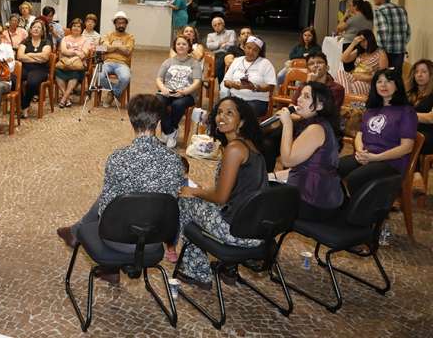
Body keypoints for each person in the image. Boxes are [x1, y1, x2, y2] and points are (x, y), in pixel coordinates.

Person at [56, 94, 186, 285]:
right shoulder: (175, 161)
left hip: (115, 239)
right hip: (154, 242)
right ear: (158, 122)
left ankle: (79, 234)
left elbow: (105, 212)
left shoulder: (118, 159)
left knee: (116, 198)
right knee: (129, 198)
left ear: (132, 121)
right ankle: (81, 239)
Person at [175, 96, 267, 289]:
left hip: (237, 231)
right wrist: (201, 192)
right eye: (219, 112)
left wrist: (195, 192)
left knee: (184, 200)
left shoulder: (234, 149)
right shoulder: (250, 145)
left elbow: (221, 197)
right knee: (196, 198)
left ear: (241, 121)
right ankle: (229, 267)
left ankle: (196, 272)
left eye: (229, 113)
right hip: (257, 228)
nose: (221, 117)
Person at [339, 67, 416, 196]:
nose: (383, 85)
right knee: (333, 169)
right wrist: (360, 152)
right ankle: (343, 206)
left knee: (355, 178)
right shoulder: (371, 110)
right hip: (367, 156)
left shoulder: (406, 111)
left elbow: (407, 147)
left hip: (391, 162)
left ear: (397, 85)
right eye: (379, 81)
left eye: (388, 81)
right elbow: (360, 134)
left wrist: (376, 158)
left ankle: (364, 212)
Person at [277, 83, 345, 221]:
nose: (299, 100)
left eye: (306, 96)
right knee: (262, 184)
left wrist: (287, 124)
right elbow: (302, 169)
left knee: (260, 200)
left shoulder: (316, 129)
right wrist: (269, 176)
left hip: (313, 201)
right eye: (301, 95)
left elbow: (287, 160)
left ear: (319, 106)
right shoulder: (318, 124)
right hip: (317, 194)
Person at [156, 35, 203, 148]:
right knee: (158, 101)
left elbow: (197, 82)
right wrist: (163, 88)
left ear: (189, 47)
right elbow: (159, 78)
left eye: (184, 44)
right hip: (168, 91)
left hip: (186, 94)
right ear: (175, 46)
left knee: (178, 104)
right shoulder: (168, 61)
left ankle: (166, 132)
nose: (181, 46)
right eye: (178, 44)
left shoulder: (194, 63)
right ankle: (171, 131)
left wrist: (184, 92)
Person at [221, 35, 276, 117]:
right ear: (244, 47)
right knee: (220, 109)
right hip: (235, 98)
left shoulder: (265, 63)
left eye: (255, 50)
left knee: (243, 112)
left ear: (259, 52)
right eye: (248, 48)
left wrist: (254, 87)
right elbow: (226, 82)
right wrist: (233, 84)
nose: (250, 52)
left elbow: (271, 86)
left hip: (257, 101)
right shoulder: (236, 61)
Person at [17, 19, 53, 118]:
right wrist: (38, 58)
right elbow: (20, 56)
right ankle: (22, 104)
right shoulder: (25, 41)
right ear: (30, 30)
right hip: (25, 68)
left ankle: (24, 105)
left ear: (42, 32)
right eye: (34, 27)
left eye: (39, 28)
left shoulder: (46, 42)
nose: (36, 29)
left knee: (32, 82)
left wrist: (29, 54)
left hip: (40, 69)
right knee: (14, 79)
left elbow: (45, 57)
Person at [337, 29, 388, 96]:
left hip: (368, 82)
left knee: (350, 86)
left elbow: (383, 73)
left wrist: (367, 78)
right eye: (360, 41)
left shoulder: (380, 53)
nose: (363, 43)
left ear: (370, 39)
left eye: (365, 40)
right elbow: (343, 59)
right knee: (340, 73)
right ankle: (347, 98)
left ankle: (346, 99)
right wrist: (353, 43)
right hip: (354, 77)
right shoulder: (359, 51)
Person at [100, 11, 135, 106]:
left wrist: (112, 47)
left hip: (122, 64)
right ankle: (116, 92)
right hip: (107, 62)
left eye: (123, 23)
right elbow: (104, 48)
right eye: (119, 23)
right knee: (99, 76)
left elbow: (128, 51)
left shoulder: (130, 37)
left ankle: (112, 93)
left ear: (126, 24)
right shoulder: (108, 35)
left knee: (125, 78)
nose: (121, 25)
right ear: (115, 23)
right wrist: (119, 47)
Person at [373, 0, 411, 71]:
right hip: (400, 49)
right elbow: (407, 30)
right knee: (397, 77)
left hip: (387, 50)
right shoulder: (401, 9)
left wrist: (381, 50)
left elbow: (383, 31)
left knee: (385, 75)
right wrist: (402, 43)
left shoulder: (379, 10)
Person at [55, 18, 90, 108]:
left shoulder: (86, 40)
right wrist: (75, 52)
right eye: (74, 26)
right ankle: (67, 97)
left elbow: (84, 54)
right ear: (71, 27)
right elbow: (63, 51)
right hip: (64, 63)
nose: (76, 28)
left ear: (82, 29)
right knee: (57, 71)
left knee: (75, 73)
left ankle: (64, 99)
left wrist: (73, 59)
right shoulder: (65, 38)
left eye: (79, 26)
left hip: (78, 65)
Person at [337, 0, 373, 72]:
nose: (349, 8)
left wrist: (345, 15)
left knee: (348, 68)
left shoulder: (353, 18)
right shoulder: (369, 18)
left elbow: (339, 28)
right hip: (364, 45)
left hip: (350, 44)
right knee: (358, 67)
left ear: (355, 7)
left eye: (350, 6)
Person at [407, 59, 433, 156]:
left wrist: (408, 115)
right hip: (410, 129)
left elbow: (431, 118)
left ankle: (412, 170)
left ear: (431, 74)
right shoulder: (410, 93)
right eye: (416, 72)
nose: (419, 75)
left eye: (424, 72)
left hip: (427, 132)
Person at [206, 16, 236, 82]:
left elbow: (232, 44)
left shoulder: (231, 32)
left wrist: (216, 45)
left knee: (223, 56)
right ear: (213, 27)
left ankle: (213, 74)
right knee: (221, 59)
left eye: (219, 24)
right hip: (216, 55)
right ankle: (222, 83)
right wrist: (221, 43)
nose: (217, 26)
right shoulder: (210, 35)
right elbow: (209, 46)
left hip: (228, 54)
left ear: (223, 24)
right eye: (215, 25)